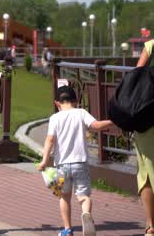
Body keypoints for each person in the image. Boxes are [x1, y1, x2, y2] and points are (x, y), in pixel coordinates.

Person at [36, 85, 115, 236]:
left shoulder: (55, 118)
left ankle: (67, 229)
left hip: (62, 165)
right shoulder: (81, 113)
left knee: (64, 197)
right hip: (80, 163)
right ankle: (86, 214)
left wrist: (44, 160)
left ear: (57, 103)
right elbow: (96, 126)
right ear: (76, 101)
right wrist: (114, 121)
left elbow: (50, 140)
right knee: (84, 197)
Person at [136, 40, 154, 234]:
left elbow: (136, 76)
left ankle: (150, 226)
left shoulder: (151, 46)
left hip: (147, 119)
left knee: (147, 172)